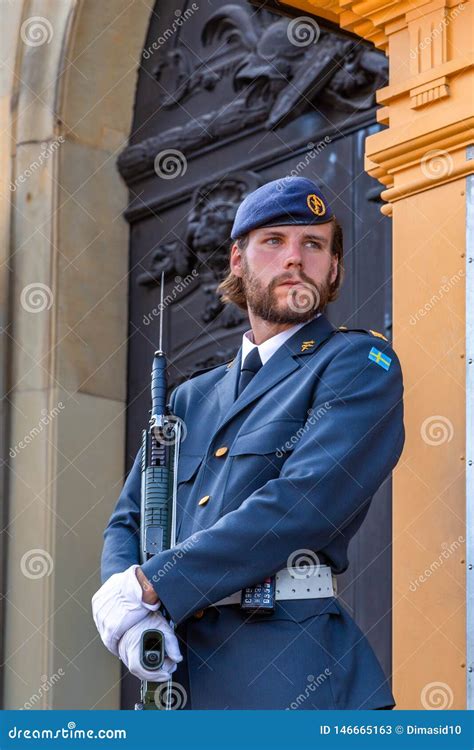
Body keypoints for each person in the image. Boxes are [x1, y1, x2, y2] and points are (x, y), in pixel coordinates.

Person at [92, 176, 405, 710]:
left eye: (314, 244)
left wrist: (152, 586)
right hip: (176, 678)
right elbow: (129, 517)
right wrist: (121, 608)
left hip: (290, 676)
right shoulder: (189, 399)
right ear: (238, 260)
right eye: (274, 241)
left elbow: (303, 504)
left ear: (333, 268)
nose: (294, 259)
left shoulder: (357, 366)